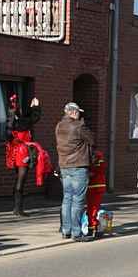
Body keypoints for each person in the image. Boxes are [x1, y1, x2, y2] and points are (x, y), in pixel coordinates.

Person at [4, 94, 52, 216]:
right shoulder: (21, 122)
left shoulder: (12, 120)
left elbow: (27, 117)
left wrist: (32, 108)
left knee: (19, 178)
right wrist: (36, 107)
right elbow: (34, 118)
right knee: (21, 178)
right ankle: (18, 208)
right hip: (22, 151)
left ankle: (17, 207)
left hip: (15, 151)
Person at [56, 102, 94, 242]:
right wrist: (82, 123)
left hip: (64, 165)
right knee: (78, 200)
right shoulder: (79, 126)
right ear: (72, 112)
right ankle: (76, 233)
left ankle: (66, 230)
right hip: (78, 165)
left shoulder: (59, 125)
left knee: (67, 198)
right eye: (78, 112)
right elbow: (92, 139)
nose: (79, 115)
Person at [85, 150, 106, 238]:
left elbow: (98, 169)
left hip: (95, 186)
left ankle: (95, 227)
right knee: (91, 209)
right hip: (94, 187)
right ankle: (93, 227)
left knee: (92, 209)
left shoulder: (96, 156)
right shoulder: (96, 156)